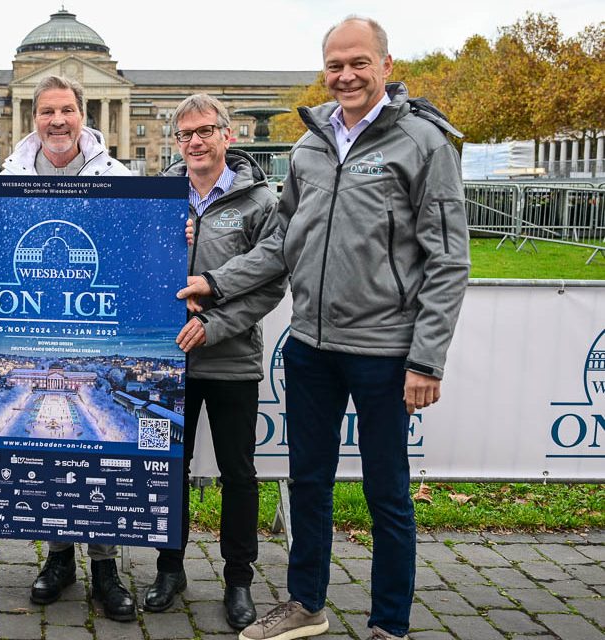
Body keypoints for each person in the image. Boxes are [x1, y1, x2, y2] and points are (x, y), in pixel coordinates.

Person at [179, 17, 469, 640]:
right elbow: (283, 242)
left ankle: (389, 622)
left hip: (385, 351)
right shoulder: (309, 147)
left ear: (386, 66)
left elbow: (448, 259)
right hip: (310, 346)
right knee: (307, 481)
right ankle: (306, 603)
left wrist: (428, 358)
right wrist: (217, 281)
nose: (346, 75)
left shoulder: (423, 143)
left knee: (386, 491)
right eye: (335, 64)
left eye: (359, 63)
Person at [142, 94, 285, 629]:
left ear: (228, 134)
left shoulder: (259, 202)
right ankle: (170, 567)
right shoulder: (159, 196)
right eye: (185, 135)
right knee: (167, 469)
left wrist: (214, 325)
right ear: (175, 142)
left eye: (205, 131)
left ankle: (239, 579)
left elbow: (271, 283)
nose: (196, 142)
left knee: (238, 475)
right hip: (166, 366)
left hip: (230, 363)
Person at [3, 75, 136, 622]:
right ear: (33, 117)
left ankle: (106, 568)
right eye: (47, 112)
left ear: (85, 115)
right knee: (49, 453)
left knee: (97, 454)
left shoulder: (118, 176)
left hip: (92, 322)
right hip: (34, 324)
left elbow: (134, 245)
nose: (57, 121)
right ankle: (58, 559)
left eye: (67, 111)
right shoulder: (9, 176)